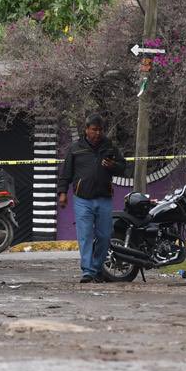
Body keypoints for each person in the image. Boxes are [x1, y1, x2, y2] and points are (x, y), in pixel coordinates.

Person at [57, 114, 127, 283]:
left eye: (100, 130)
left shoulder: (109, 147)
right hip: (82, 199)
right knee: (85, 235)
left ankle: (96, 268)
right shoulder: (75, 148)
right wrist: (63, 193)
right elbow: (66, 173)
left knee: (104, 236)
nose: (97, 133)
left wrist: (113, 166)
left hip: (104, 198)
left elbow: (123, 167)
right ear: (86, 129)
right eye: (94, 129)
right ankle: (88, 271)